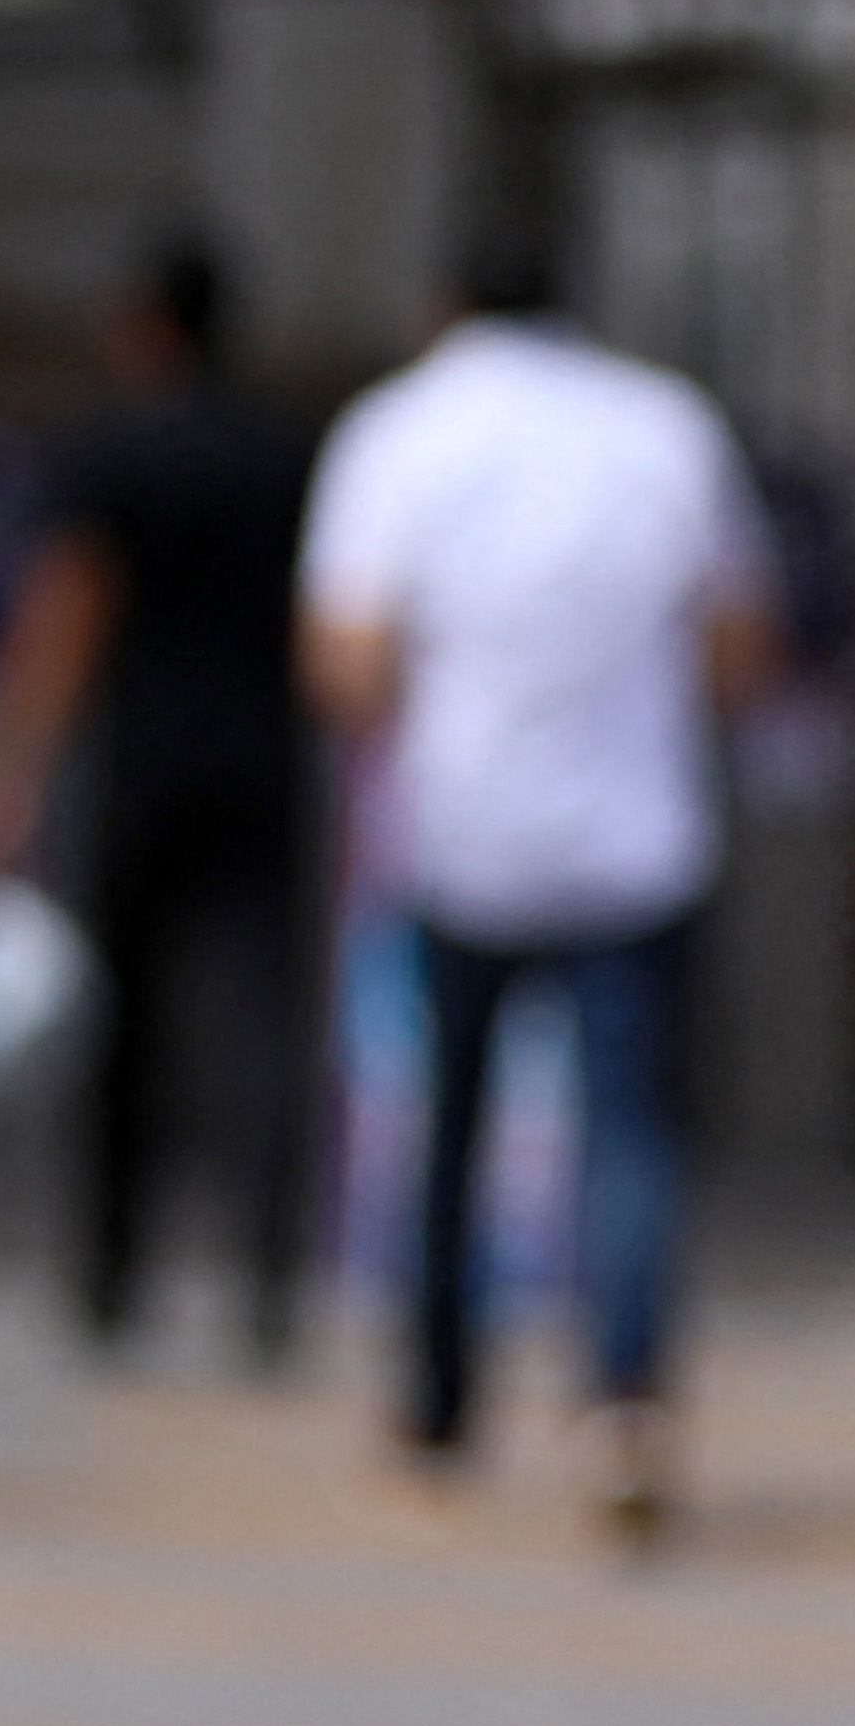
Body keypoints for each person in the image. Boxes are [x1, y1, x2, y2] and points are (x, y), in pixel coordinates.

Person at [300, 224, 781, 1548]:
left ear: (440, 303)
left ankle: (441, 1398)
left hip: (464, 833)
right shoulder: (662, 426)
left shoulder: (397, 433)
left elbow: (344, 661)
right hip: (639, 836)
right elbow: (741, 649)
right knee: (630, 1129)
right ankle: (624, 1398)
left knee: (446, 1121)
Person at [0, 240, 321, 1367]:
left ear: (143, 325)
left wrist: (7, 764)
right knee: (259, 1021)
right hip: (262, 763)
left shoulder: (107, 453)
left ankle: (114, 1268)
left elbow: (68, 612)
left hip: (139, 767)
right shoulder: (282, 454)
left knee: (125, 1028)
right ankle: (266, 1264)